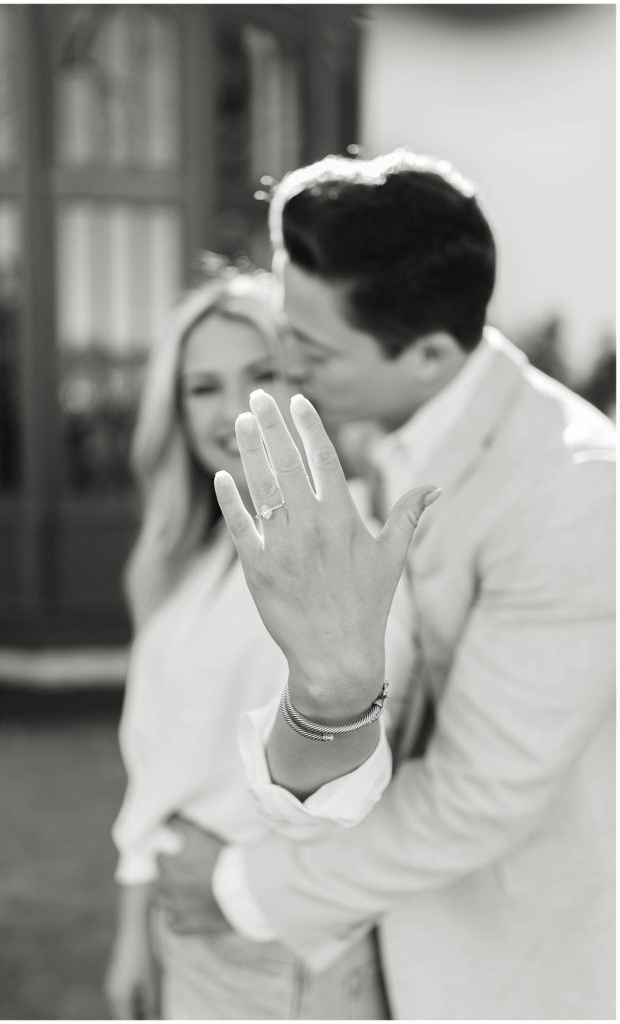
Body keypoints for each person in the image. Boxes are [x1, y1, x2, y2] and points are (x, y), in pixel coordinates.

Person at [157, 151, 616, 1020]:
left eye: (312, 346)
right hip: (351, 957)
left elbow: (477, 798)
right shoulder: (368, 425)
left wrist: (236, 888)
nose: (281, 357)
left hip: (495, 972)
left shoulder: (577, 492)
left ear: (431, 353)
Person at [104, 270, 433, 1020]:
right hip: (179, 930)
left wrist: (237, 881)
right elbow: (153, 765)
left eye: (259, 377)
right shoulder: (179, 565)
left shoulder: (358, 542)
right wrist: (132, 929)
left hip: (281, 949)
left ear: (301, 381)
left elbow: (364, 754)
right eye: (201, 387)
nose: (232, 412)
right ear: (173, 410)